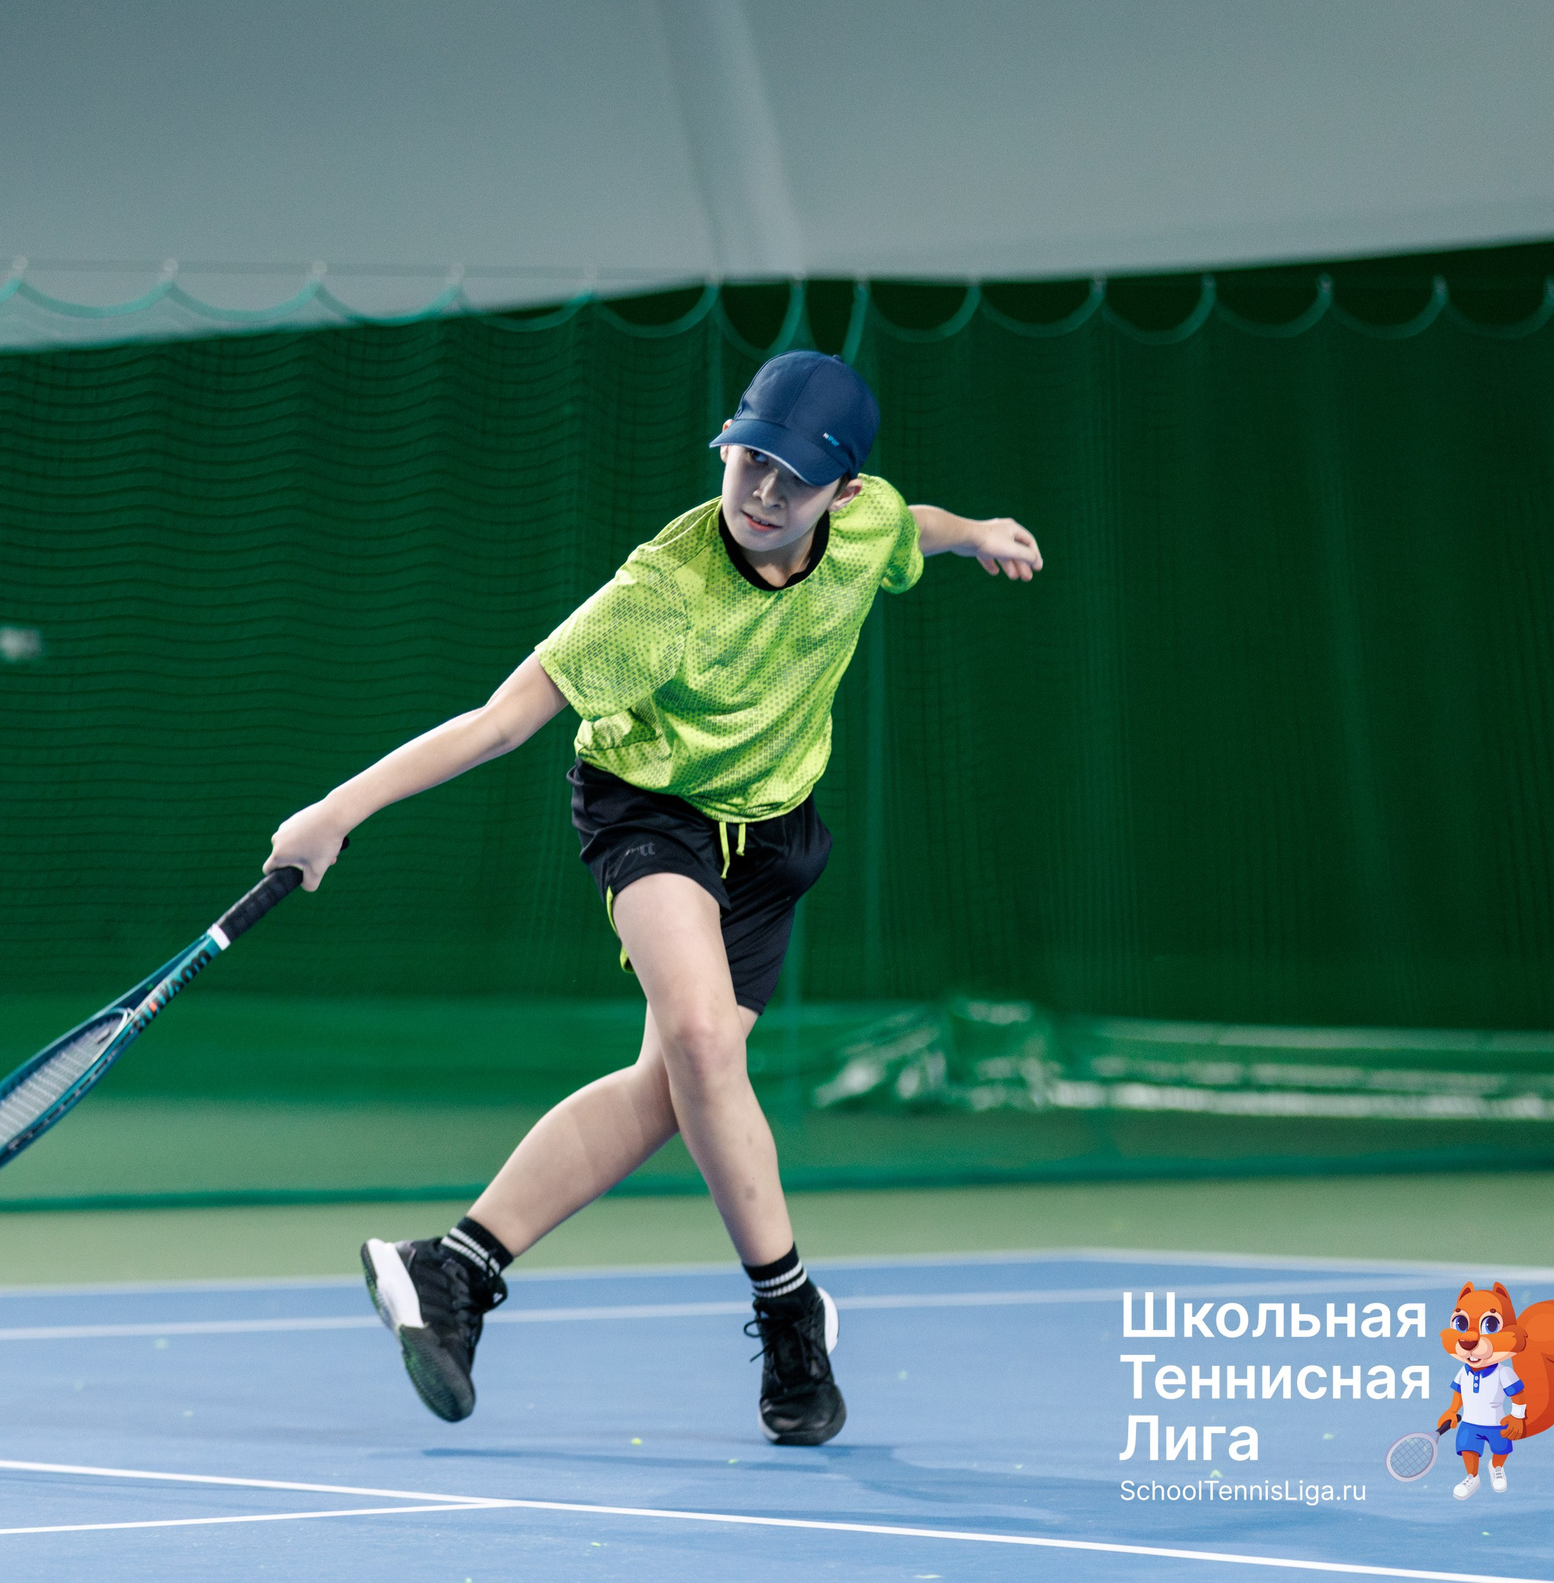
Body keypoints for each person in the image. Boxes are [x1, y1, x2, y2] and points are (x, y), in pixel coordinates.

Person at [263, 351, 1043, 1444]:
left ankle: (456, 1266)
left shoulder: (865, 528)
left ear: (841, 491)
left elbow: (914, 523)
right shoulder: (658, 593)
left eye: (795, 477)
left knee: (675, 1082)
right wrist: (337, 809)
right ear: (727, 445)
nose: (764, 492)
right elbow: (498, 721)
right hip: (650, 810)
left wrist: (978, 534)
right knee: (698, 1043)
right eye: (750, 460)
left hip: (773, 833)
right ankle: (787, 1320)